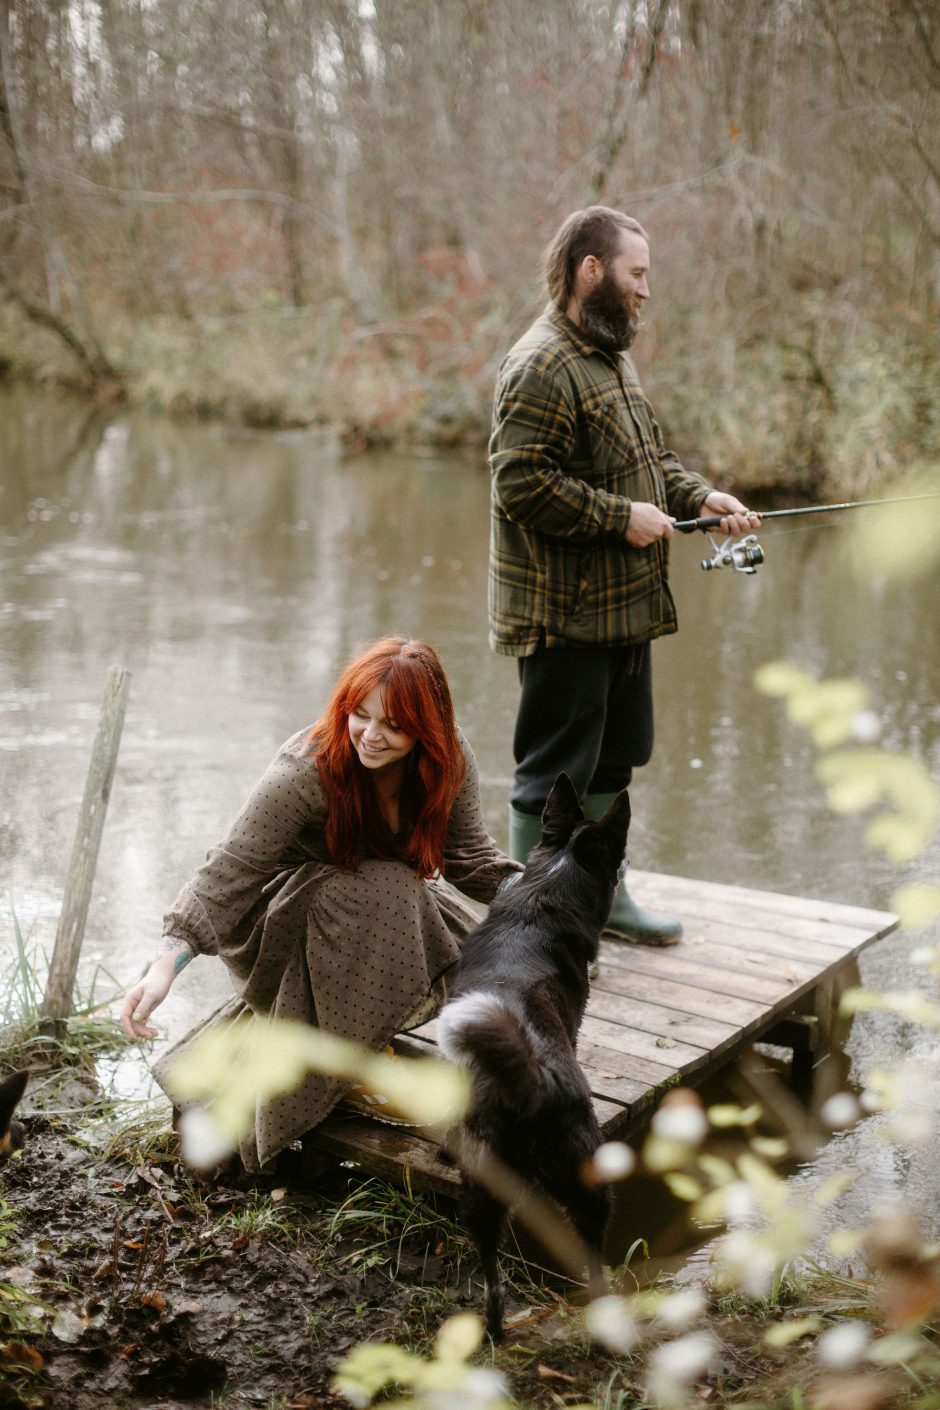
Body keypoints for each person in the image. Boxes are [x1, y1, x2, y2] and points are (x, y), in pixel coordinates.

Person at [120, 637, 522, 1171]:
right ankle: (354, 1070)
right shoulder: (305, 770)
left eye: (394, 725)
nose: (371, 736)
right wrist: (164, 966)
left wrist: (546, 896)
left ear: (427, 729)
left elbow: (469, 857)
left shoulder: (449, 759)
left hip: (383, 909)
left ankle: (334, 1040)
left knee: (487, 954)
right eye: (361, 715)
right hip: (285, 917)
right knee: (386, 886)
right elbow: (230, 870)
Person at [488, 206, 759, 945]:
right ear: (591, 270)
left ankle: (603, 901)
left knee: (617, 760)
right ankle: (537, 928)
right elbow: (519, 485)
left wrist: (699, 495)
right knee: (554, 779)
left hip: (626, 613)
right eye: (637, 273)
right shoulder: (540, 362)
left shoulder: (609, 354)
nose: (646, 290)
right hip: (563, 614)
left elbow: (650, 463)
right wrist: (619, 518)